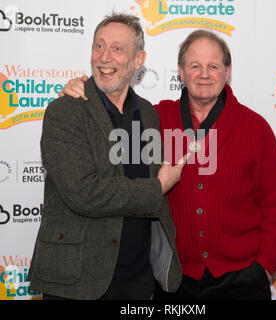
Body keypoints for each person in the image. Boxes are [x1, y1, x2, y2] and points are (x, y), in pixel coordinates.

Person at [60, 29, 276, 300]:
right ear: (181, 73)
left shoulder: (255, 128)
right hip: (173, 280)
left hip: (242, 280)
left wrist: (263, 268)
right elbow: (106, 122)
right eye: (195, 66)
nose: (204, 74)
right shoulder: (154, 118)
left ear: (227, 72)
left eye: (214, 66)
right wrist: (80, 92)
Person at [27, 13, 187, 300]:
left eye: (117, 48)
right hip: (77, 282)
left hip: (138, 281)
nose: (104, 57)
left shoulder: (149, 114)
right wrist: (158, 187)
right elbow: (84, 192)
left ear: (138, 60)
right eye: (98, 46)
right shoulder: (65, 111)